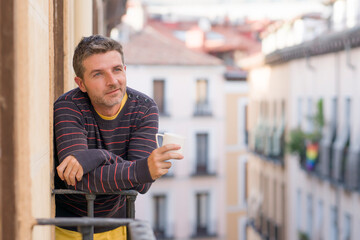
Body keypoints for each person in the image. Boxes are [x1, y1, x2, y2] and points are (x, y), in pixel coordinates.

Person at [54, 35, 183, 239]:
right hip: (67, 229)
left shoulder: (144, 108)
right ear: (81, 83)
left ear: (124, 70)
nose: (112, 81)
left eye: (117, 69)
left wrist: (96, 157)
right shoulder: (68, 106)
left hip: (117, 228)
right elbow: (75, 179)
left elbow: (141, 184)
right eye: (98, 74)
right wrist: (138, 168)